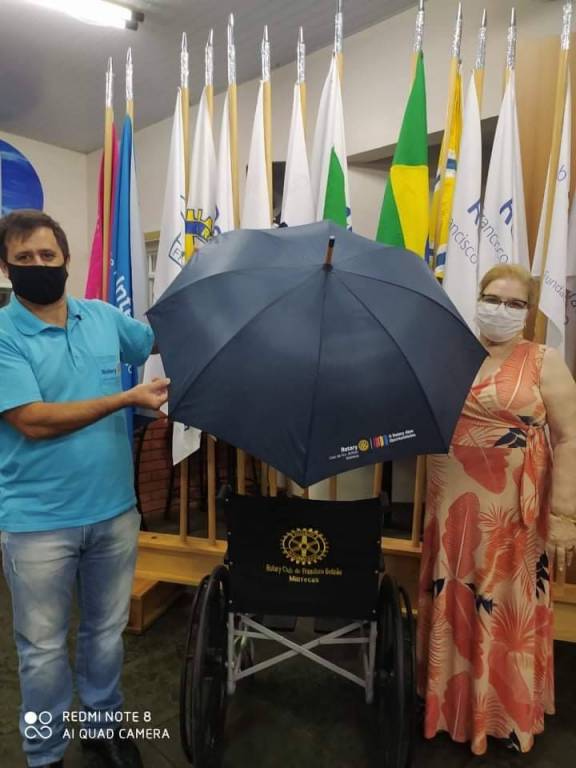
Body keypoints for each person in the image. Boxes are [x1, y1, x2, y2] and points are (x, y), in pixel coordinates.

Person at [0, 210, 170, 768]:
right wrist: (126, 399)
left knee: (105, 633)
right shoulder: (3, 335)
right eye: (24, 258)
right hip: (36, 523)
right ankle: (44, 753)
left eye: (47, 255)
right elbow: (32, 420)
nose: (38, 265)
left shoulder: (101, 317)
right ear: (6, 268)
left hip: (114, 513)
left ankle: (102, 725)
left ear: (67, 259)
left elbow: (154, 339)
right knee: (42, 650)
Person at [417, 263, 576, 755]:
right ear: (478, 298)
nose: (501, 310)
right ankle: (449, 708)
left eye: (514, 303)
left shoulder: (544, 360)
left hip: (512, 515)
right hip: (451, 506)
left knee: (504, 605)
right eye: (492, 299)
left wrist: (565, 516)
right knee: (454, 592)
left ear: (528, 312)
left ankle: (503, 715)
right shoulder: (449, 353)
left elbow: (570, 437)